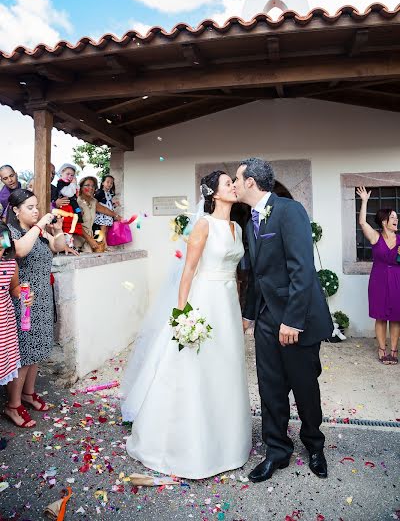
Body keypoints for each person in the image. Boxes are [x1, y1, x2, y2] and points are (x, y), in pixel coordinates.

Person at [122, 171, 252, 479]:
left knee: (227, 368)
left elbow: (234, 273)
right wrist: (183, 316)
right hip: (204, 301)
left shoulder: (236, 226)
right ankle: (186, 444)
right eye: (228, 184)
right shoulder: (203, 225)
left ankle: (227, 443)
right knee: (196, 368)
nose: (234, 186)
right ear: (214, 193)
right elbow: (188, 272)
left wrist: (239, 309)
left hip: (227, 306)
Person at [234, 158, 333, 482]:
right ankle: (277, 451)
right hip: (265, 319)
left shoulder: (290, 211)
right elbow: (256, 275)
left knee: (305, 387)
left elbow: (302, 270)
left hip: (296, 318)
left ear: (251, 182)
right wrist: (248, 315)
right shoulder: (250, 221)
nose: (234, 185)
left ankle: (314, 446)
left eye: (237, 179)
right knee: (270, 388)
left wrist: (292, 320)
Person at [4, 189, 67, 427]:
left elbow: (59, 246)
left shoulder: (39, 234)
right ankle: (12, 404)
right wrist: (39, 224)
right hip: (23, 300)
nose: (35, 211)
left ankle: (28, 394)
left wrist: (57, 229)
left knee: (38, 351)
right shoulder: (11, 232)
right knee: (24, 354)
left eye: (37, 207)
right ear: (16, 210)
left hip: (42, 299)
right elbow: (19, 251)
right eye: (30, 207)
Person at [356, 187, 400, 365]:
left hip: (397, 279)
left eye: (396, 217)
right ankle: (382, 349)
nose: (396, 219)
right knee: (380, 316)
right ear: (384, 222)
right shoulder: (375, 238)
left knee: (397, 316)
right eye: (393, 217)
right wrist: (364, 201)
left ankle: (394, 350)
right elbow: (362, 223)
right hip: (379, 280)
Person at [0, 222, 33, 389]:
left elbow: (13, 287)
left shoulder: (9, 264)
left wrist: (23, 295)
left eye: (2, 248)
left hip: (4, 326)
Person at [74, 177, 121, 253]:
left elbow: (105, 210)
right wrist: (89, 239)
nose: (91, 188)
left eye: (93, 186)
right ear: (81, 187)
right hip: (78, 240)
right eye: (87, 185)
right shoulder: (76, 202)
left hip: (89, 241)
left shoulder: (93, 201)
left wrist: (117, 216)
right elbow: (76, 224)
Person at [94, 175, 117, 245]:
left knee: (106, 230)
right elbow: (95, 202)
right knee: (103, 230)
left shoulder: (109, 194)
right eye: (108, 182)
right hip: (102, 214)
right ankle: (105, 245)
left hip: (107, 215)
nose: (109, 184)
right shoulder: (100, 192)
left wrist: (114, 205)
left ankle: (103, 244)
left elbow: (108, 204)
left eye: (111, 183)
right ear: (103, 183)